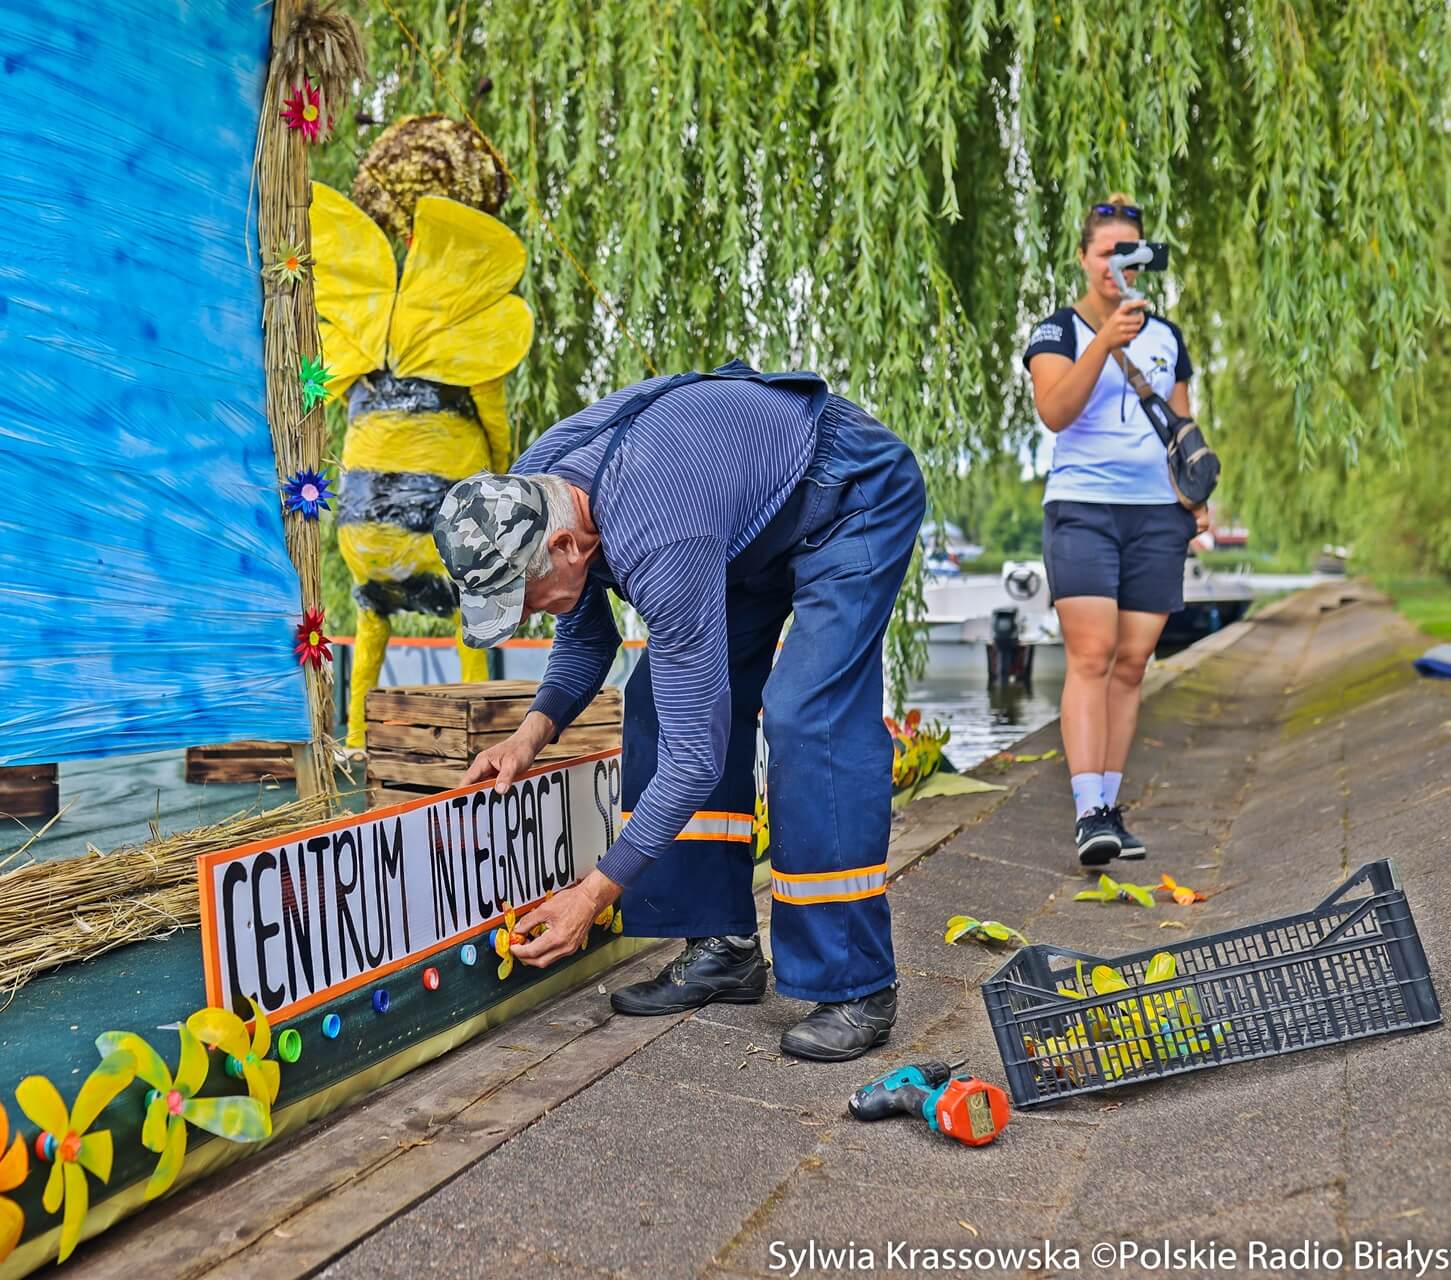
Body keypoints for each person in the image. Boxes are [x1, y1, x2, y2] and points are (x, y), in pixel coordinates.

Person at [428, 362, 925, 1062]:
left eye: (524, 598)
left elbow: (696, 758)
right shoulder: (533, 494)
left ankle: (857, 985)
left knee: (807, 716)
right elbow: (587, 635)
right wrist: (527, 739)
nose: (526, 616)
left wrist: (592, 896)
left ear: (565, 545)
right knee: (655, 701)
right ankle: (724, 946)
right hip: (741, 525)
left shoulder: (656, 534)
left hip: (847, 491)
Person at [1023, 195, 1209, 866]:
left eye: (1128, 253)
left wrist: (1196, 495)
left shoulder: (1167, 337)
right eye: (1106, 252)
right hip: (1083, 508)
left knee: (1131, 664)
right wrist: (1104, 340)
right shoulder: (1057, 331)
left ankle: (1108, 807)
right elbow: (1054, 411)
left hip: (1157, 514)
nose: (1116, 265)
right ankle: (1087, 813)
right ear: (1084, 257)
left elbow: (1181, 423)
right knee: (1092, 655)